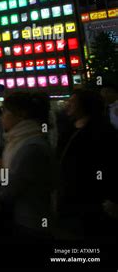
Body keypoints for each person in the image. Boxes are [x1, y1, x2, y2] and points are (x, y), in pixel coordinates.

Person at [56, 89, 118, 240]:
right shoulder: (69, 128)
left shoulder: (103, 130)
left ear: (85, 105)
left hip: (93, 198)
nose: (67, 105)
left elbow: (111, 164)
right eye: (68, 102)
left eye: (72, 102)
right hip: (69, 195)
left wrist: (112, 198)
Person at [0, 92, 54, 239]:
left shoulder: (31, 146)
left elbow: (9, 189)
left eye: (6, 111)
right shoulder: (22, 139)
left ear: (21, 114)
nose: (2, 117)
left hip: (30, 221)